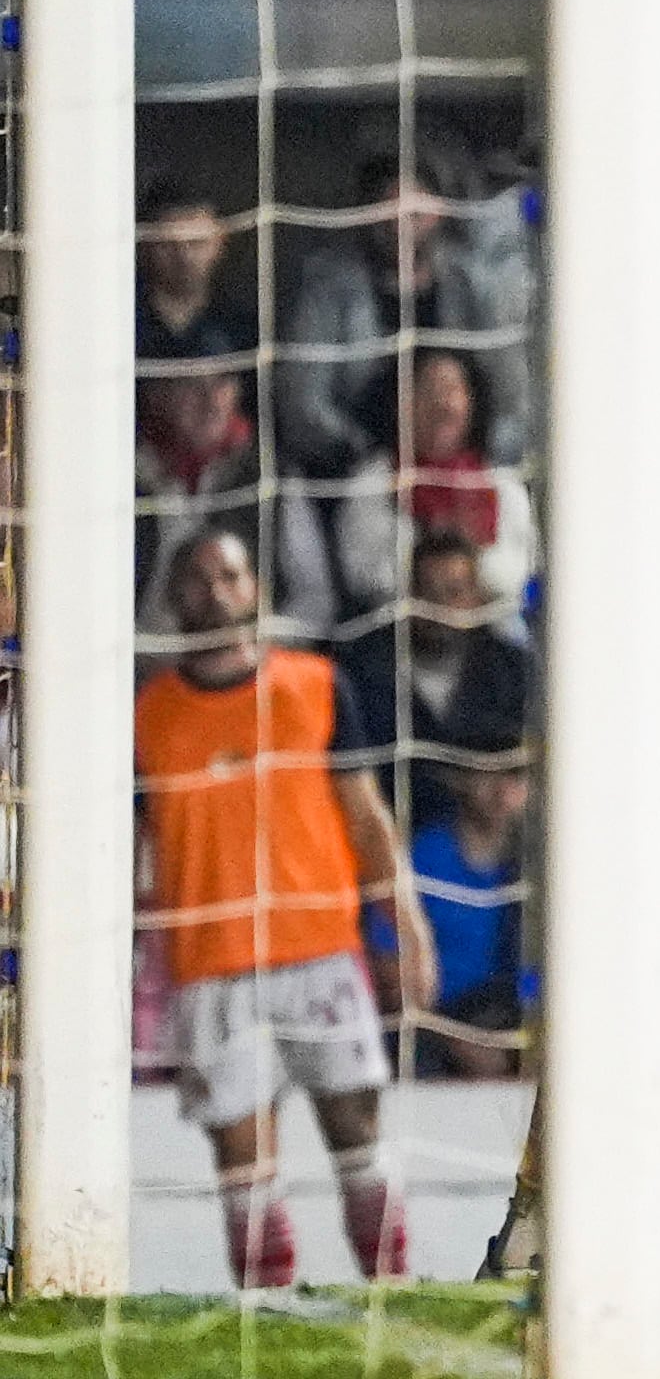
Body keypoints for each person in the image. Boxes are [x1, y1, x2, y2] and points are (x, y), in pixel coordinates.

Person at [137, 529, 437, 1289]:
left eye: (230, 575)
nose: (215, 591)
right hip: (212, 965)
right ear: (173, 599)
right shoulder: (146, 718)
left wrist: (406, 923)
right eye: (198, 579)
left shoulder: (314, 684)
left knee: (357, 1133)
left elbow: (366, 815)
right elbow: (135, 852)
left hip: (320, 949)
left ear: (257, 590)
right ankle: (264, 1320)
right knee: (242, 1158)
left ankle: (389, 1296)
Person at [278, 155, 530, 480]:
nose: (400, 223)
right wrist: (370, 460)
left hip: (466, 470)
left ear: (438, 210)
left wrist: (477, 459)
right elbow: (303, 404)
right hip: (359, 474)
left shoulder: (468, 283)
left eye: (414, 210)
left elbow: (508, 390)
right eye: (389, 210)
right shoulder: (332, 287)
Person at [329, 347, 537, 626]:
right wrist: (428, 551)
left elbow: (520, 577)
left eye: (452, 389)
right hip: (395, 635)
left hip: (489, 633)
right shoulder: (374, 482)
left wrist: (472, 556)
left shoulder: (502, 486)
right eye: (426, 389)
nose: (442, 402)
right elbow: (365, 579)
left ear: (472, 402)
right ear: (400, 403)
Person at [135, 364, 334, 646]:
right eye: (192, 386)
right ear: (158, 395)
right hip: (143, 673)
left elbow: (315, 600)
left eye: (223, 383)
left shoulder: (271, 475)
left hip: (253, 672)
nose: (211, 401)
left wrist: (248, 651)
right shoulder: (124, 478)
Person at [337, 529, 532, 771]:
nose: (439, 606)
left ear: (478, 597)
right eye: (427, 592)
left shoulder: (512, 670)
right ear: (408, 594)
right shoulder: (365, 669)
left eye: (454, 592)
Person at [403, 757, 528, 1080]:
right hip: (439, 1026)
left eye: (515, 775)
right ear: (458, 776)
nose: (502, 791)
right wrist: (459, 1042)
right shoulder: (424, 858)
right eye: (489, 772)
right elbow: (391, 972)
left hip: (520, 1021)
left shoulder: (545, 861)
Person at [137, 179, 258, 379]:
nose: (184, 258)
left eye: (197, 244)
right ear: (143, 247)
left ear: (221, 242)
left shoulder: (241, 330)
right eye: (167, 245)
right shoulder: (121, 324)